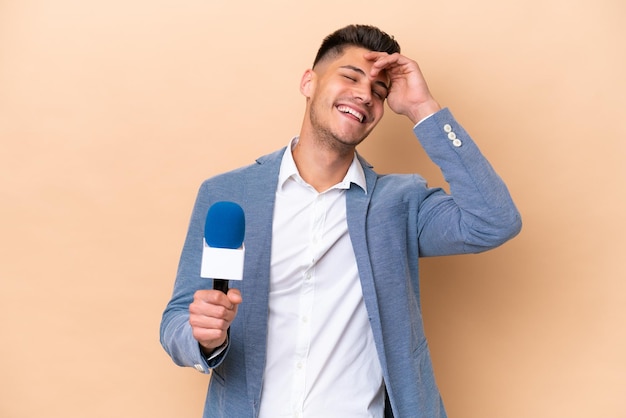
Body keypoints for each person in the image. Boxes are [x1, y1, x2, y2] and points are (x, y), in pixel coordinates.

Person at [160, 24, 521, 418]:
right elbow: (177, 319)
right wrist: (202, 336)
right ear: (308, 83)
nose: (365, 95)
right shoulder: (230, 194)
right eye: (350, 76)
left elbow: (494, 220)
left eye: (379, 91)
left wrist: (422, 108)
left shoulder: (399, 203)